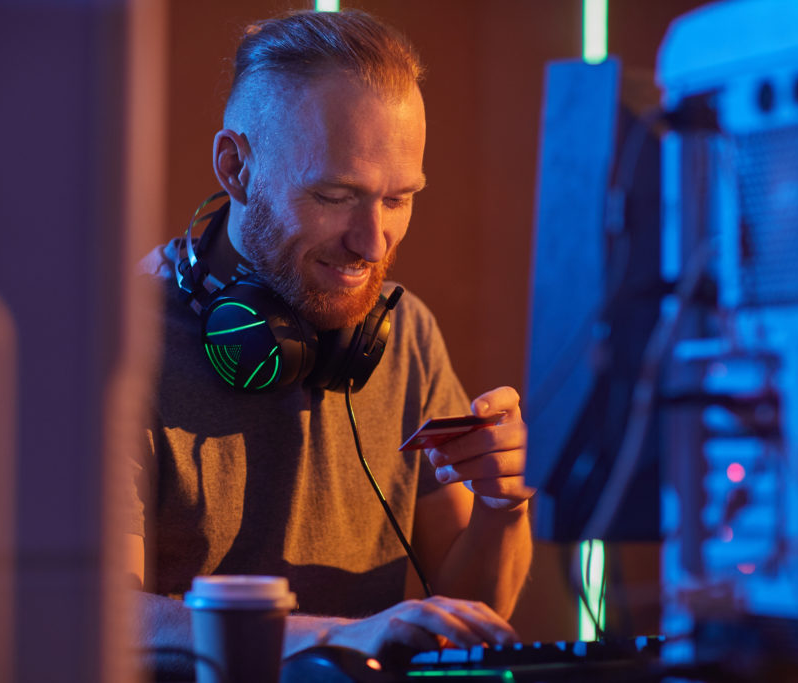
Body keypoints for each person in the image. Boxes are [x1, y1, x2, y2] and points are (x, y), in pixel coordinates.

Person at [129, 7, 535, 667]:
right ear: (237, 168)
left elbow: (467, 616)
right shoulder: (117, 344)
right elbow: (99, 608)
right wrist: (333, 637)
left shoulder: (403, 333)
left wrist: (501, 501)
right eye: (335, 195)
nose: (372, 243)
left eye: (398, 199)